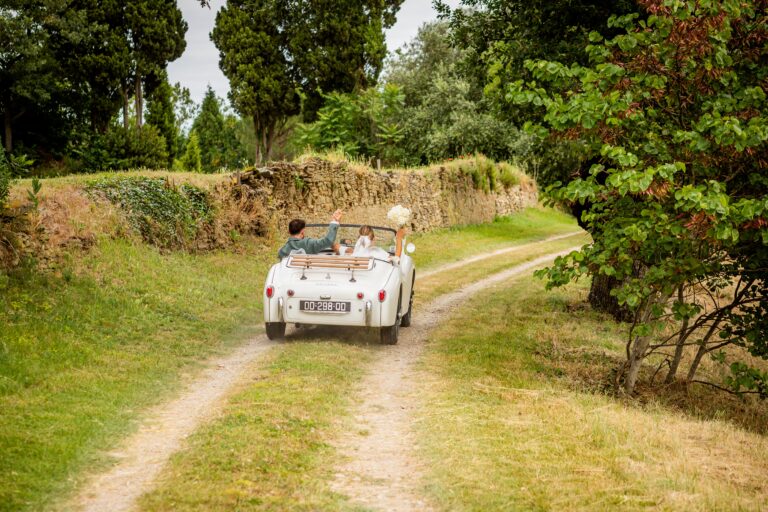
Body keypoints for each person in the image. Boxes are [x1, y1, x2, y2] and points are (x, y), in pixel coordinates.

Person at [277, 209, 344, 259]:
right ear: (302, 231)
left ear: (289, 231)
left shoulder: (282, 251)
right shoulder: (308, 244)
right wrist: (335, 221)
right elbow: (328, 241)